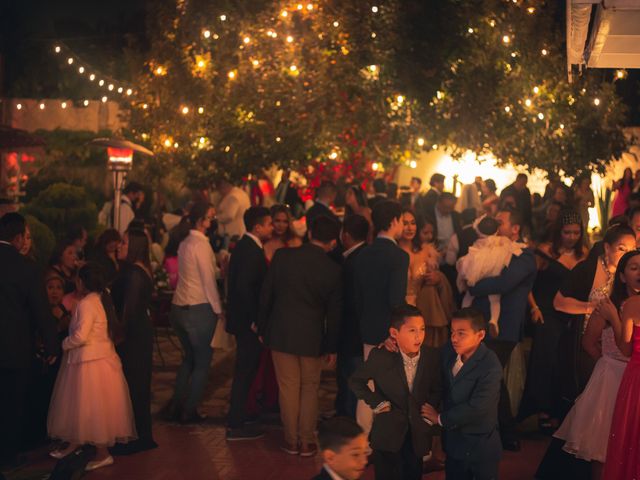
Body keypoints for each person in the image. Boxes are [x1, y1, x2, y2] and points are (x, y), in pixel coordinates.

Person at [258, 215, 342, 456]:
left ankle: (291, 440)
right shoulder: (333, 270)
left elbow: (267, 294)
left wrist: (262, 327)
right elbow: (334, 314)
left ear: (310, 233)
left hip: (281, 333)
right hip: (312, 337)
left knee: (288, 388)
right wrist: (331, 347)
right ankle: (306, 441)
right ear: (333, 241)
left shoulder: (283, 257)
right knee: (309, 388)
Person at [553, 250, 637, 479]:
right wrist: (607, 359)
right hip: (611, 378)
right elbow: (589, 342)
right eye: (633, 268)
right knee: (602, 445)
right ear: (622, 276)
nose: (639, 273)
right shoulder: (607, 306)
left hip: (634, 376)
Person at [47, 263, 136, 471]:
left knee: (91, 408)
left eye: (78, 278)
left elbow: (80, 336)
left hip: (89, 362)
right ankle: (74, 443)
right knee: (84, 406)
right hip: (98, 359)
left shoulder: (87, 303)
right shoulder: (100, 299)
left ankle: (102, 453)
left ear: (83, 282)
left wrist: (64, 344)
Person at [466, 207, 537, 451]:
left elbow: (504, 283)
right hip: (483, 323)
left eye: (501, 221)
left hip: (503, 327)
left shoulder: (524, 256)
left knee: (489, 376)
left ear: (515, 229)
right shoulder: (493, 247)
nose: (496, 224)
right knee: (491, 377)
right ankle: (501, 430)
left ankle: (503, 431)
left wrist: (472, 284)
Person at [350, 304, 441, 480]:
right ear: (394, 333)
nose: (418, 336)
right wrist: (377, 402)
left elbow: (437, 388)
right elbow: (356, 381)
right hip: (387, 436)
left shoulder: (431, 356)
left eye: (422, 329)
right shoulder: (382, 356)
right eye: (412, 330)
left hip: (417, 435)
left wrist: (427, 417)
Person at [553, 224, 636, 412]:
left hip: (623, 349)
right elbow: (559, 302)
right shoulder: (588, 269)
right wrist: (593, 308)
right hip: (588, 344)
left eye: (632, 250)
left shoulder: (631, 275)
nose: (628, 255)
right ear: (607, 247)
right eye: (622, 249)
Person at [518, 210, 587, 430]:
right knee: (544, 361)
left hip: (571, 314)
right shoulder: (546, 251)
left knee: (563, 363)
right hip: (546, 311)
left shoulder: (583, 253)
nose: (572, 236)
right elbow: (528, 282)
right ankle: (541, 410)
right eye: (567, 232)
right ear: (559, 232)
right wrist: (534, 307)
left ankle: (559, 411)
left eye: (576, 232)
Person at [0, 213, 59, 468]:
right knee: (12, 404)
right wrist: (51, 344)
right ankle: (7, 456)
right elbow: (40, 311)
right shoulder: (25, 267)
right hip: (14, 349)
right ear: (16, 238)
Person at [421, 308, 502, 480]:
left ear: (480, 335)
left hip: (480, 446)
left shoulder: (491, 365)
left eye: (461, 333)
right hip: (454, 444)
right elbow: (426, 356)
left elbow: (478, 408)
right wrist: (396, 344)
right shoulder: (449, 352)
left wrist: (440, 418)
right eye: (452, 332)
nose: (454, 338)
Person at [353, 200, 408, 435]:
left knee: (368, 386)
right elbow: (396, 299)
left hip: (367, 327)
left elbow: (357, 297)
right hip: (390, 331)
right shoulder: (398, 256)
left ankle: (364, 440)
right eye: (403, 221)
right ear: (394, 221)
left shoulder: (363, 253)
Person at [167, 202, 223, 423]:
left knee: (188, 359)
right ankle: (189, 410)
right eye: (210, 218)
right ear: (202, 220)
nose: (212, 222)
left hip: (179, 306)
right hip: (197, 307)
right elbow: (208, 281)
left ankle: (176, 406)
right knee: (202, 361)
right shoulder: (200, 245)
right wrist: (219, 310)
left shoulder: (185, 242)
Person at [225, 207, 273, 440]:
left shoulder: (246, 247)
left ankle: (240, 417)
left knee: (246, 371)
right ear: (257, 227)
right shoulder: (250, 251)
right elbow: (245, 289)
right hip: (247, 324)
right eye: (269, 224)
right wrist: (255, 322)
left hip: (244, 321)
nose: (272, 228)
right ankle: (236, 423)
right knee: (244, 372)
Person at [110, 230, 158, 455]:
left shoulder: (134, 274)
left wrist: (116, 335)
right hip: (138, 333)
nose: (119, 246)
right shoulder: (135, 271)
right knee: (135, 383)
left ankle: (136, 436)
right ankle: (137, 433)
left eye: (125, 242)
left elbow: (128, 311)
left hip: (134, 336)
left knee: (134, 384)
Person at [457, 215, 527, 337]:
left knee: (468, 296)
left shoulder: (478, 241)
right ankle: (494, 320)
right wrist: (523, 246)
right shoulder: (500, 241)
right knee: (495, 299)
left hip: (477, 268)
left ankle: (463, 317)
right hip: (493, 268)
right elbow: (512, 247)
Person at [399, 209, 454, 348]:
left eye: (413, 223)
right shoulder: (392, 252)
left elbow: (437, 279)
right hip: (398, 312)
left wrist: (438, 278)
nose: (410, 227)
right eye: (405, 223)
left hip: (424, 312)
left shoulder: (426, 251)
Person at [603, 289, 640, 479]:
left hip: (636, 379)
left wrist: (614, 319)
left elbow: (625, 349)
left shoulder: (633, 303)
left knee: (631, 438)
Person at [335, 214, 368, 419]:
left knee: (351, 378)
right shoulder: (365, 255)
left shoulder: (353, 262)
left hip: (352, 331)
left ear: (345, 235)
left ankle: (348, 420)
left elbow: (349, 301)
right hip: (359, 331)